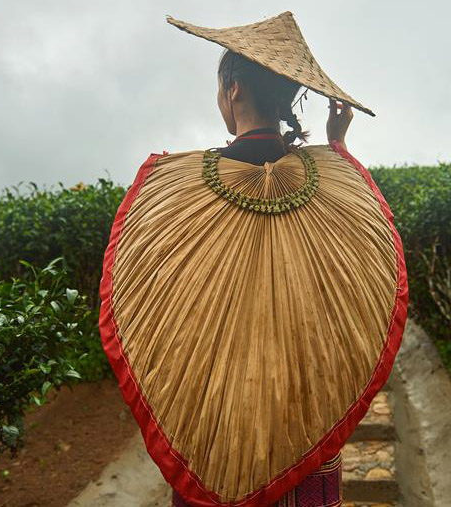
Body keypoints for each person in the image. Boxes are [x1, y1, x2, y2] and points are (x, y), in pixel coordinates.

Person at [98, 11, 408, 507]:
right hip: (304, 412)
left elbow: (154, 295)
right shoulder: (335, 184)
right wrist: (339, 146)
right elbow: (366, 258)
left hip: (217, 422)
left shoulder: (175, 188)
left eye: (221, 89)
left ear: (234, 89)